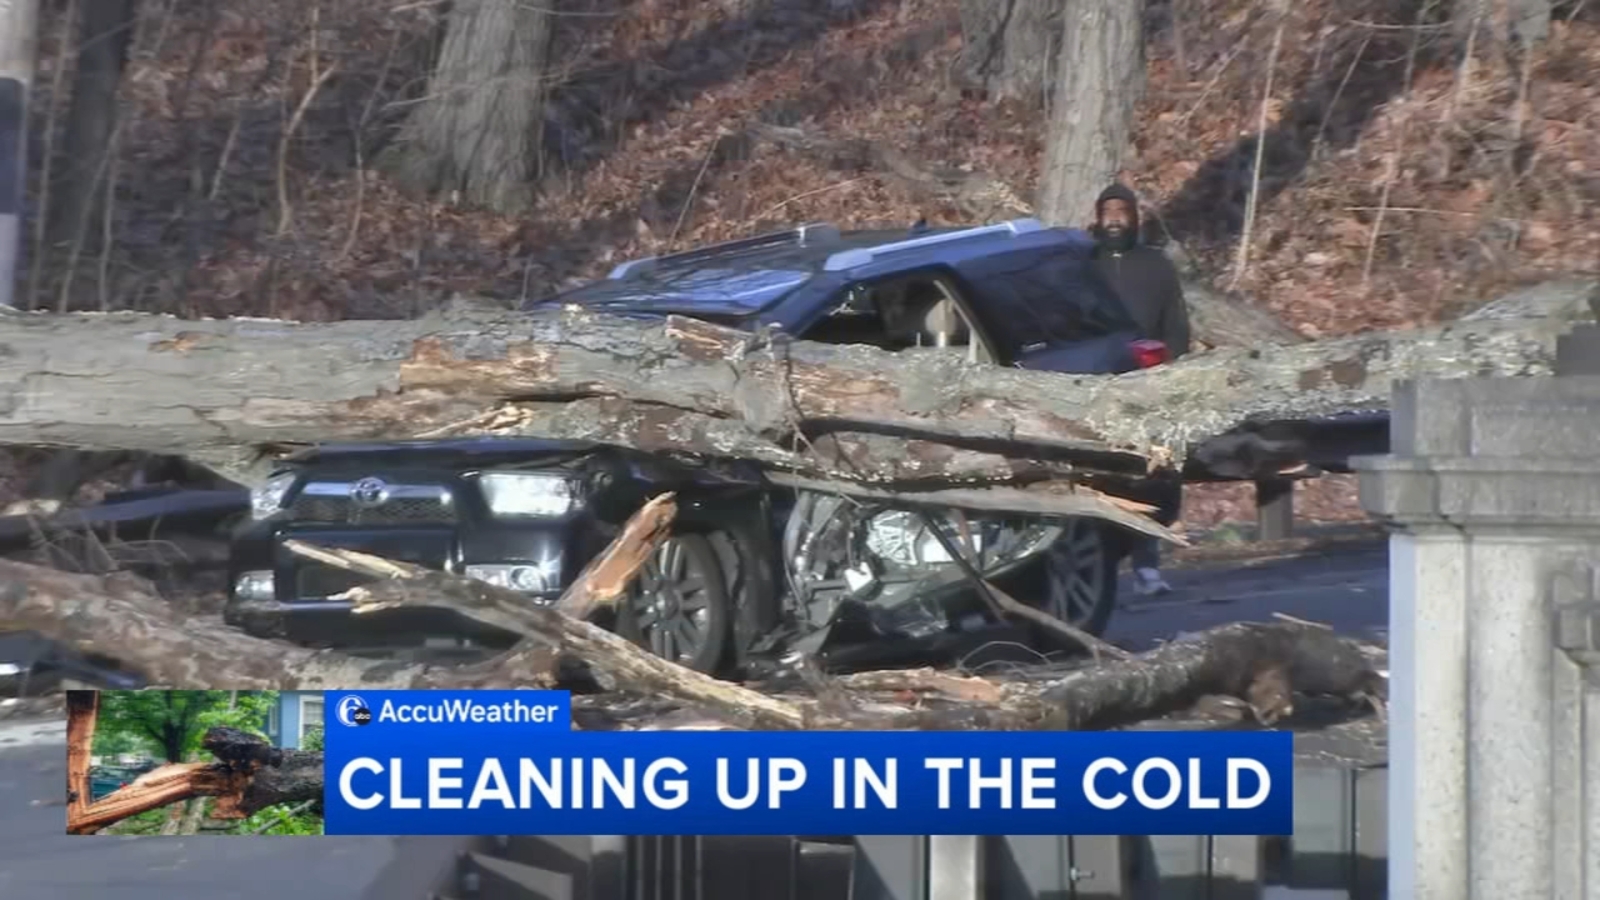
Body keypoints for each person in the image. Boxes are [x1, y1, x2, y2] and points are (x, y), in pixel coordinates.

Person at [1089, 182, 1191, 596]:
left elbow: (1176, 325)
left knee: (1153, 475)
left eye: (1122, 212)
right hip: (1094, 385)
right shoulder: (1084, 264)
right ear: (1098, 218)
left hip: (1149, 383)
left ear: (1134, 218)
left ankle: (1148, 566)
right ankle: (1100, 570)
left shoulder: (1155, 266)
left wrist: (1171, 370)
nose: (1114, 219)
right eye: (1108, 212)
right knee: (1101, 475)